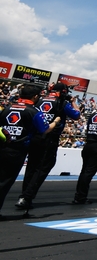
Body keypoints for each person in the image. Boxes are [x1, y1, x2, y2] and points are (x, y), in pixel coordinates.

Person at [16, 82, 82, 209]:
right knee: (44, 166)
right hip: (49, 137)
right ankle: (26, 197)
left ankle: (24, 195)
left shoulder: (39, 100)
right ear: (63, 92)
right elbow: (76, 115)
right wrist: (73, 102)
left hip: (34, 136)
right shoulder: (62, 102)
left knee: (31, 167)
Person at [0, 85, 49, 216]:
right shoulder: (34, 111)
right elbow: (44, 129)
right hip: (16, 150)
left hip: (2, 146)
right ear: (35, 97)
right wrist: (55, 122)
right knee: (4, 182)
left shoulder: (7, 108)